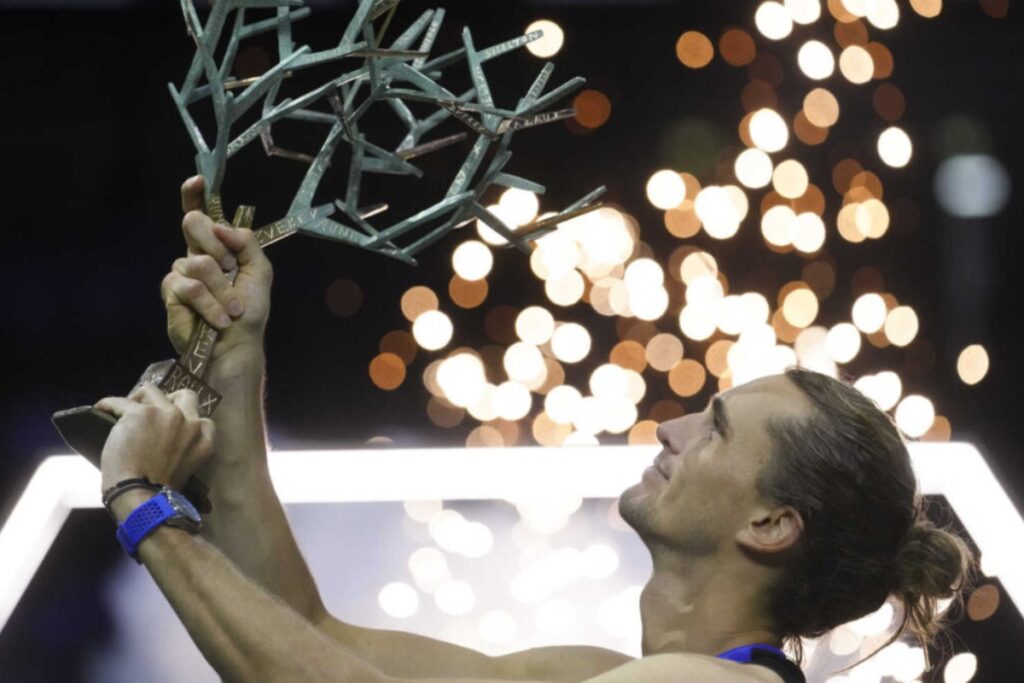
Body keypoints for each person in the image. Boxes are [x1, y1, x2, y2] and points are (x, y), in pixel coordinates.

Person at [95, 176, 974, 683]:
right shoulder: (607, 672)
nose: (667, 429)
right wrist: (240, 361)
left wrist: (145, 509)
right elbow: (309, 634)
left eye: (713, 430)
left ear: (772, 523)